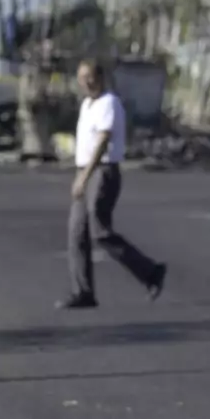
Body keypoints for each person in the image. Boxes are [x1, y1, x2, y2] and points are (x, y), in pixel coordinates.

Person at [59, 59, 166, 309]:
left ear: (101, 78)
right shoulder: (87, 104)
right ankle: (84, 292)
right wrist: (79, 173)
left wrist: (85, 176)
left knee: (99, 231)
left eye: (90, 76)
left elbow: (102, 141)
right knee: (76, 234)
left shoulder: (109, 103)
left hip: (102, 172)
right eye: (81, 77)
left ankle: (150, 272)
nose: (86, 81)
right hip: (85, 169)